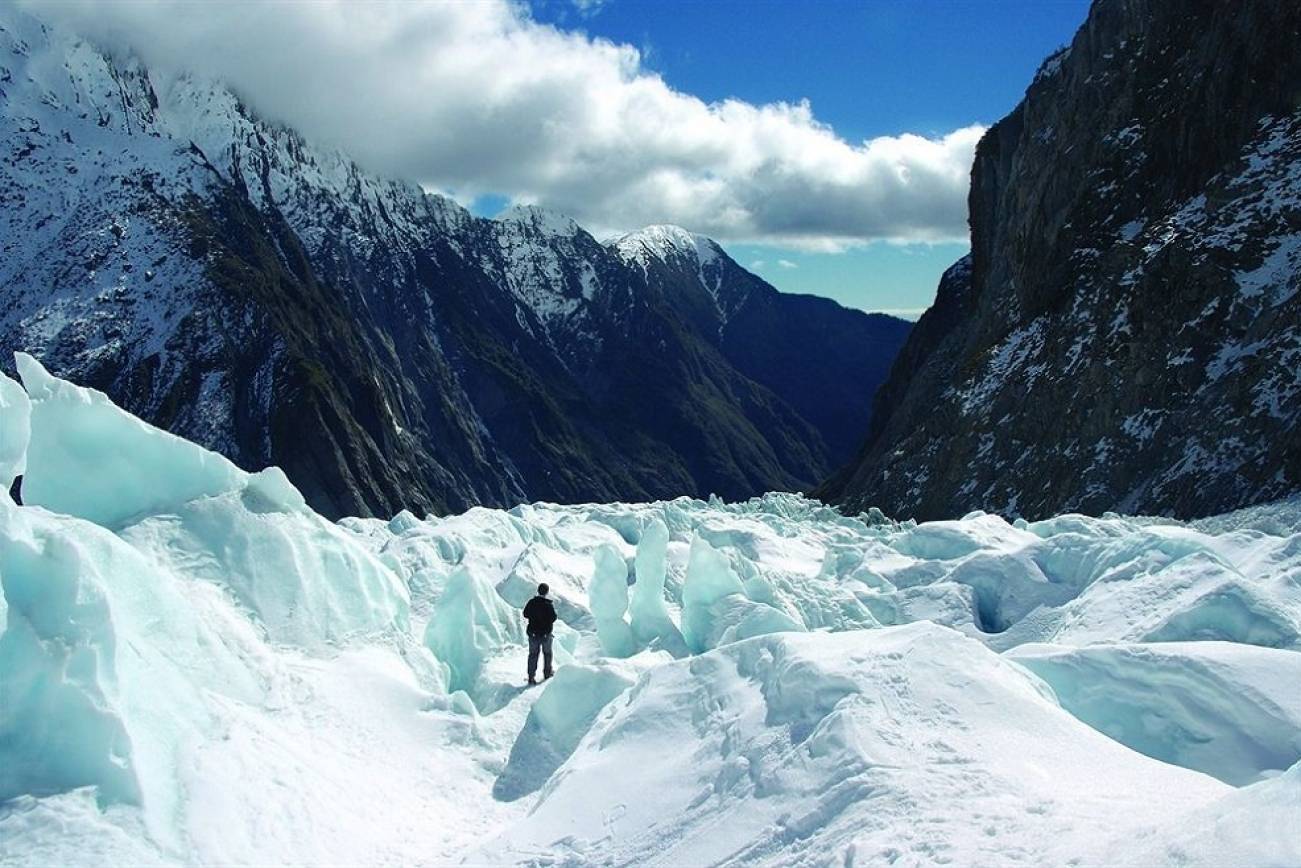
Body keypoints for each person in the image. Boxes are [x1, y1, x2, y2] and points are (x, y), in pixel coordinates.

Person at [523, 583, 557, 685]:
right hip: (546, 634)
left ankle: (531, 677)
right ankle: (547, 673)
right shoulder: (548, 605)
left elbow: (525, 614)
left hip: (533, 634)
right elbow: (553, 618)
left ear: (538, 591)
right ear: (546, 592)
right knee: (547, 654)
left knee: (533, 655)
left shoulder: (532, 602)